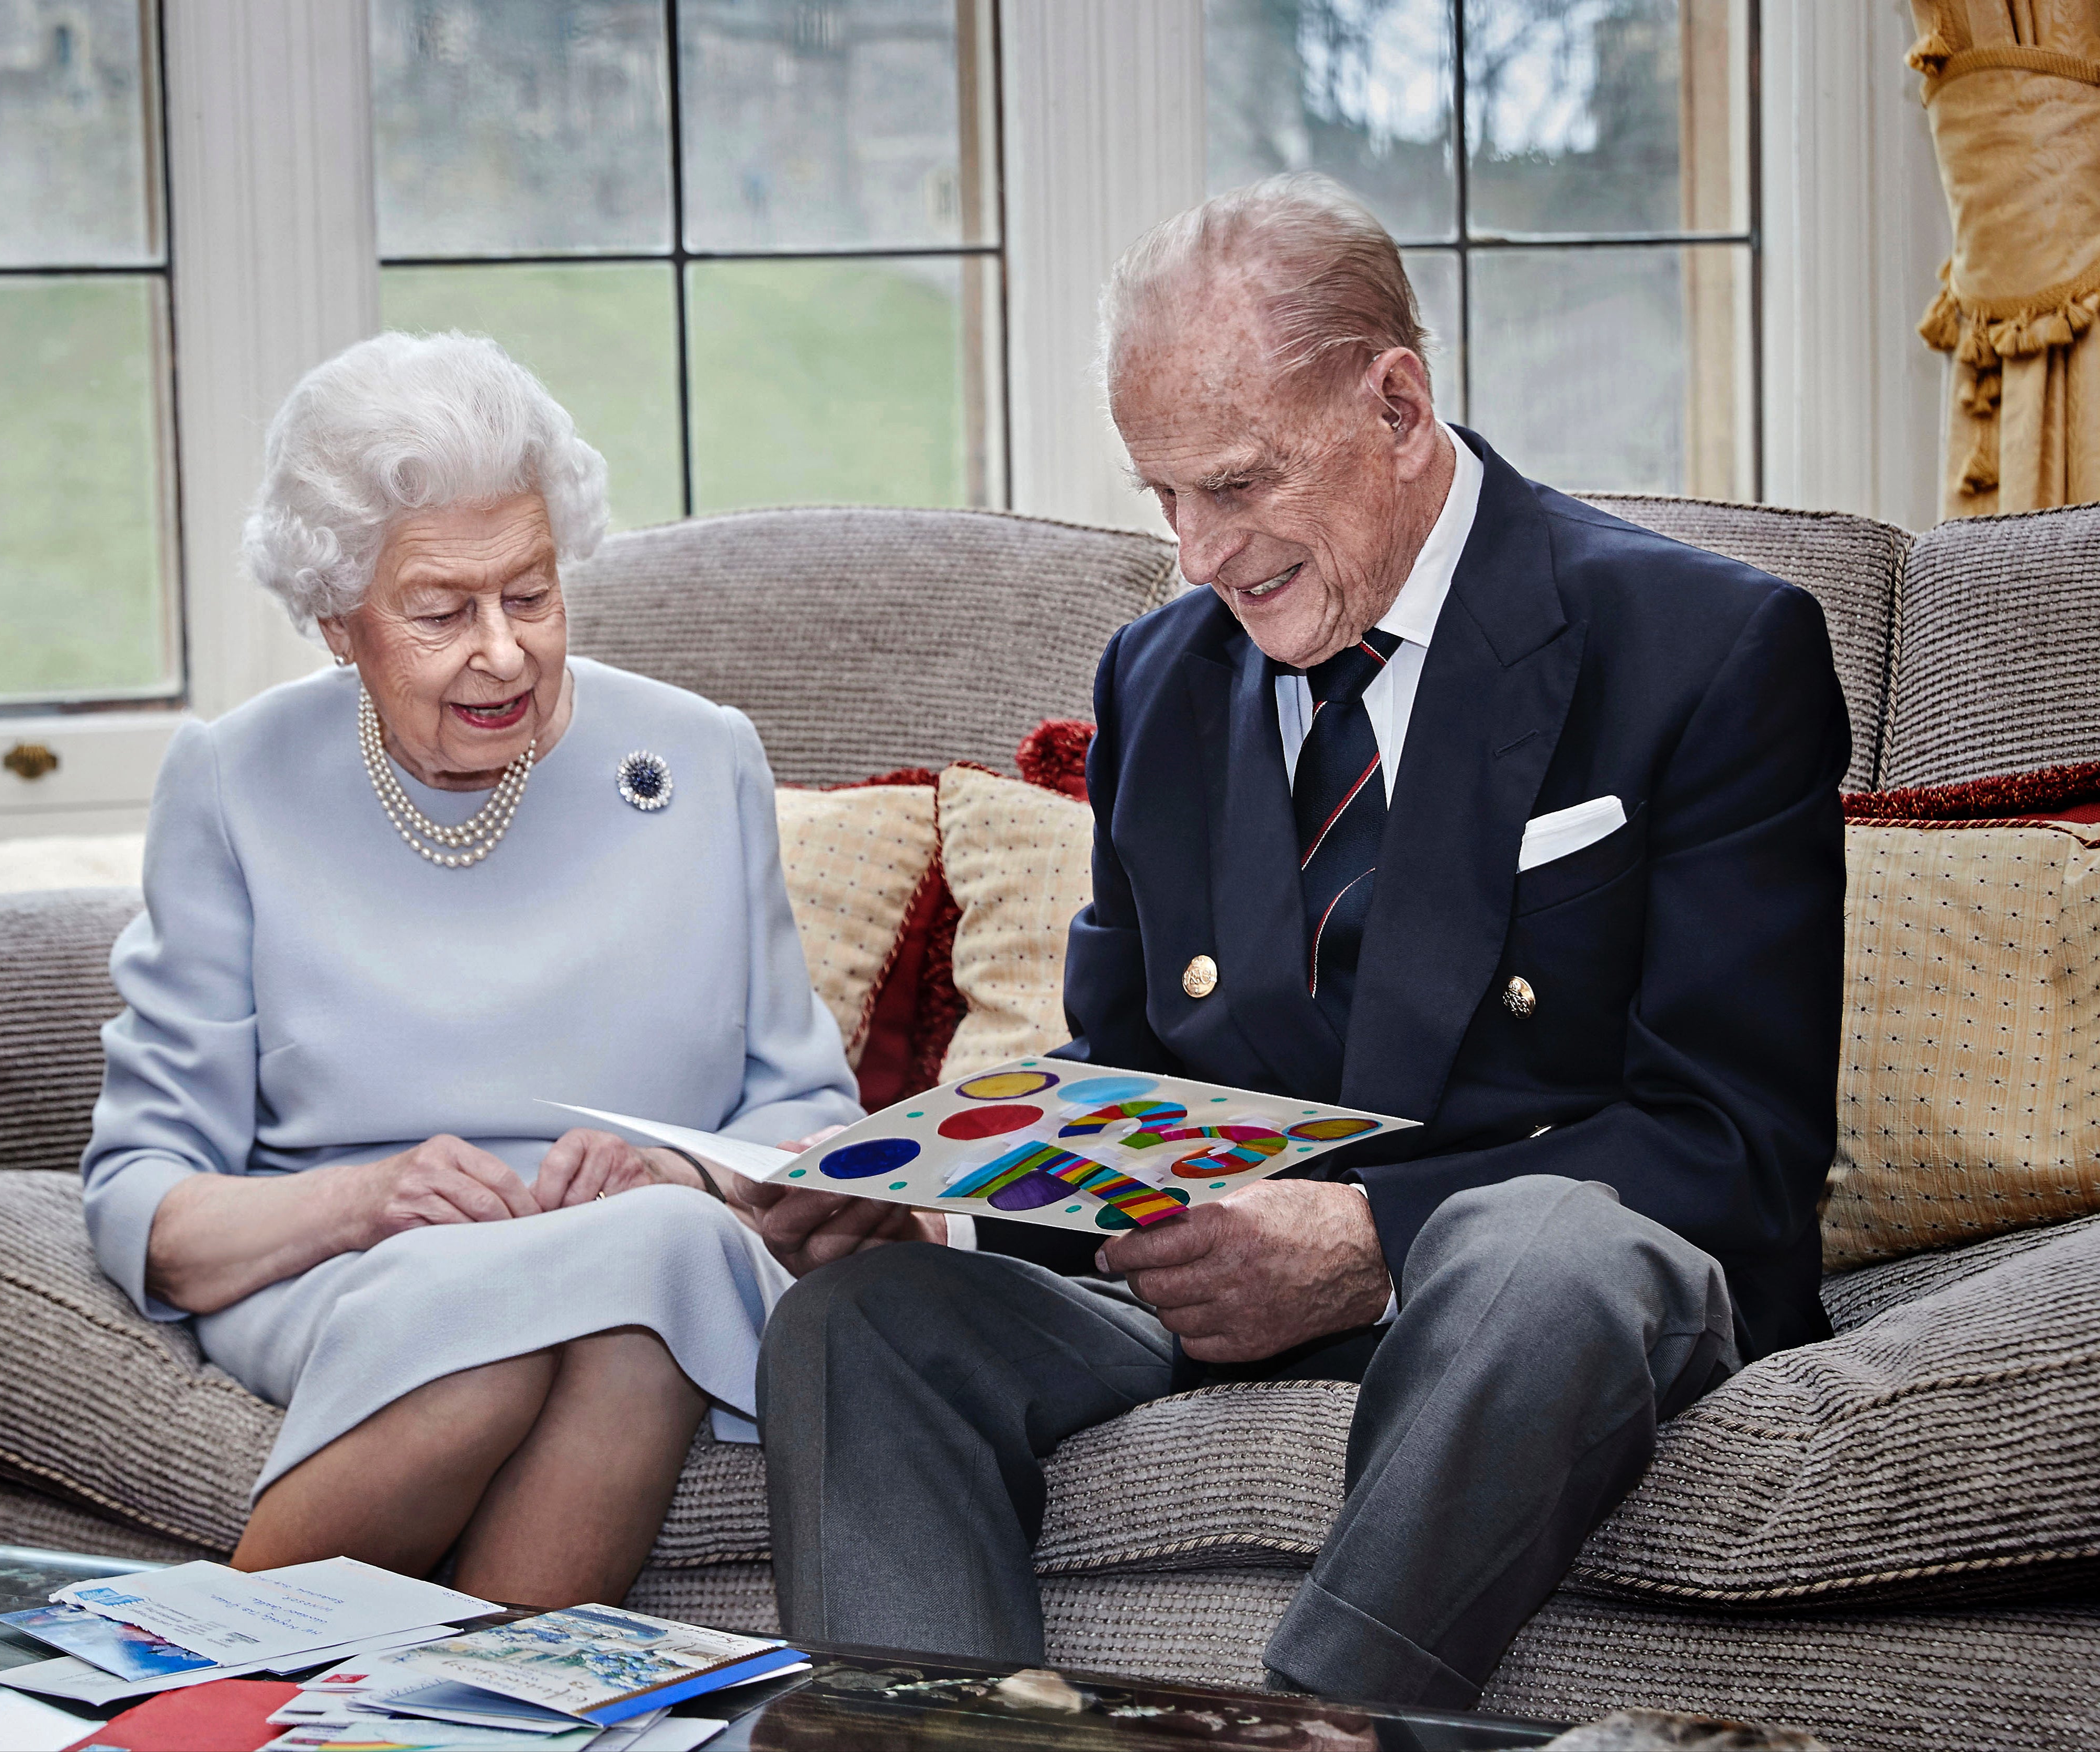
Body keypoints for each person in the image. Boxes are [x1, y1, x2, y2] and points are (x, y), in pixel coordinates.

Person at [738, 175, 1848, 1708]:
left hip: (1531, 1313)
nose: (1198, 553)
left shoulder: (1704, 649)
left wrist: (1370, 1243)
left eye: (1237, 485)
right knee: (861, 1324)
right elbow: (1123, 1072)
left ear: (1394, 405)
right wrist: (944, 1201)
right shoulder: (1162, 676)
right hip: (1211, 1300)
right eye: (1163, 498)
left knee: (1539, 1248)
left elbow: (1736, 1144)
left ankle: (1308, 1734)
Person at [79, 330, 941, 1608]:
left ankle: (196, 1696)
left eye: (530, 593)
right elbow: (146, 1204)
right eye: (440, 612)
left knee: (640, 1272)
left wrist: (679, 1167)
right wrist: (368, 1199)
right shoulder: (235, 780)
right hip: (351, 1267)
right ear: (337, 622)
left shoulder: (697, 756)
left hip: (657, 1247)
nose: (503, 651)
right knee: (508, 1337)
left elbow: (807, 1118)